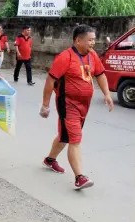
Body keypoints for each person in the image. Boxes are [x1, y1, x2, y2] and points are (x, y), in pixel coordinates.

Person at [40, 25, 114, 190]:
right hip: (68, 104)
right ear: (78, 40)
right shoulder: (65, 57)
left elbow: (100, 74)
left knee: (65, 136)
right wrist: (45, 105)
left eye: (94, 39)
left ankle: (50, 160)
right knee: (75, 138)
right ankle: (79, 177)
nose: (93, 43)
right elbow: (50, 81)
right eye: (90, 40)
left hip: (84, 105)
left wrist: (107, 94)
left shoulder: (92, 55)